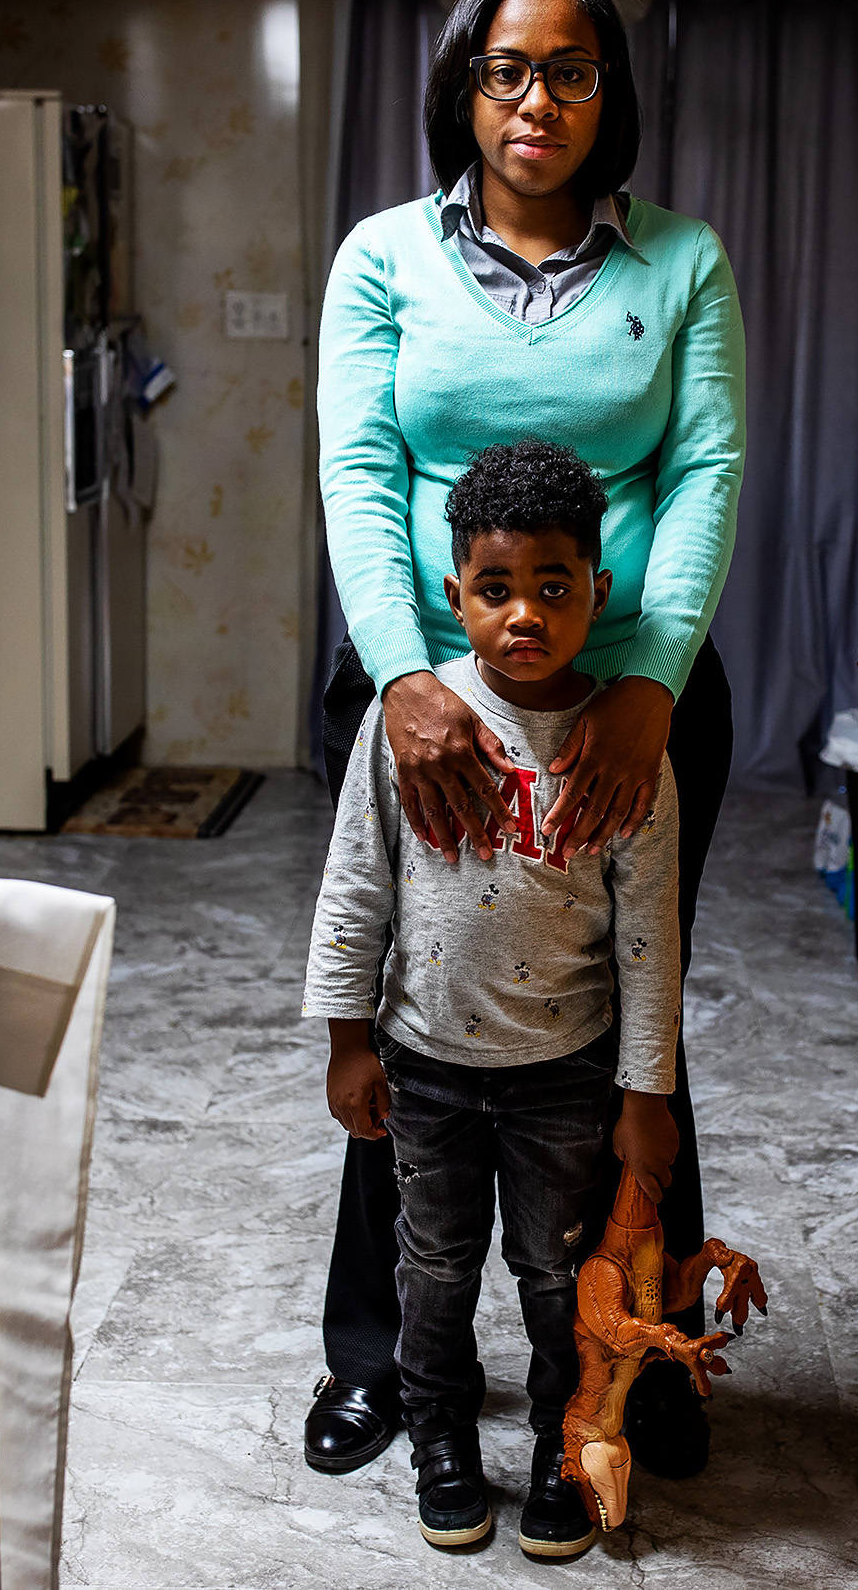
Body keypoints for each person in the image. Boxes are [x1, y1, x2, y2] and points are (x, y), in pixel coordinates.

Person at [307, 0, 746, 1483]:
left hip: (628, 700)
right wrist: (403, 676)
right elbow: (360, 470)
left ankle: (641, 1348)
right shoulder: (381, 258)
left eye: (569, 70)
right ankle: (377, 1355)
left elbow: (702, 473)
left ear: (608, 92)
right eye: (505, 69)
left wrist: (651, 683)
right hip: (418, 697)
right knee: (415, 1016)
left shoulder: (679, 261)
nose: (535, 100)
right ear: (462, 86)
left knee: (633, 1025)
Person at [305, 441, 721, 1559]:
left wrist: (645, 1093)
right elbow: (356, 888)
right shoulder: (409, 733)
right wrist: (350, 1041)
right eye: (495, 589)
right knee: (432, 1266)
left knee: (555, 1271)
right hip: (428, 1066)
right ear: (454, 595)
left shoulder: (626, 752)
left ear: (599, 592)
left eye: (553, 586)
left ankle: (557, 1437)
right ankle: (440, 1433)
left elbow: (649, 940)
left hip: (565, 1076)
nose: (524, 613)